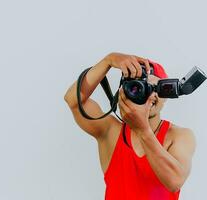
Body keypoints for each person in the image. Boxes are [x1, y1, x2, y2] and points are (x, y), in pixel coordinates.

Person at [64, 52, 196, 200]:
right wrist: (109, 60)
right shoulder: (111, 132)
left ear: (166, 95)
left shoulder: (179, 136)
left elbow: (174, 181)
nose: (150, 95)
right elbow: (73, 101)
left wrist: (143, 130)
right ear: (126, 92)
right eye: (141, 88)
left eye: (156, 88)